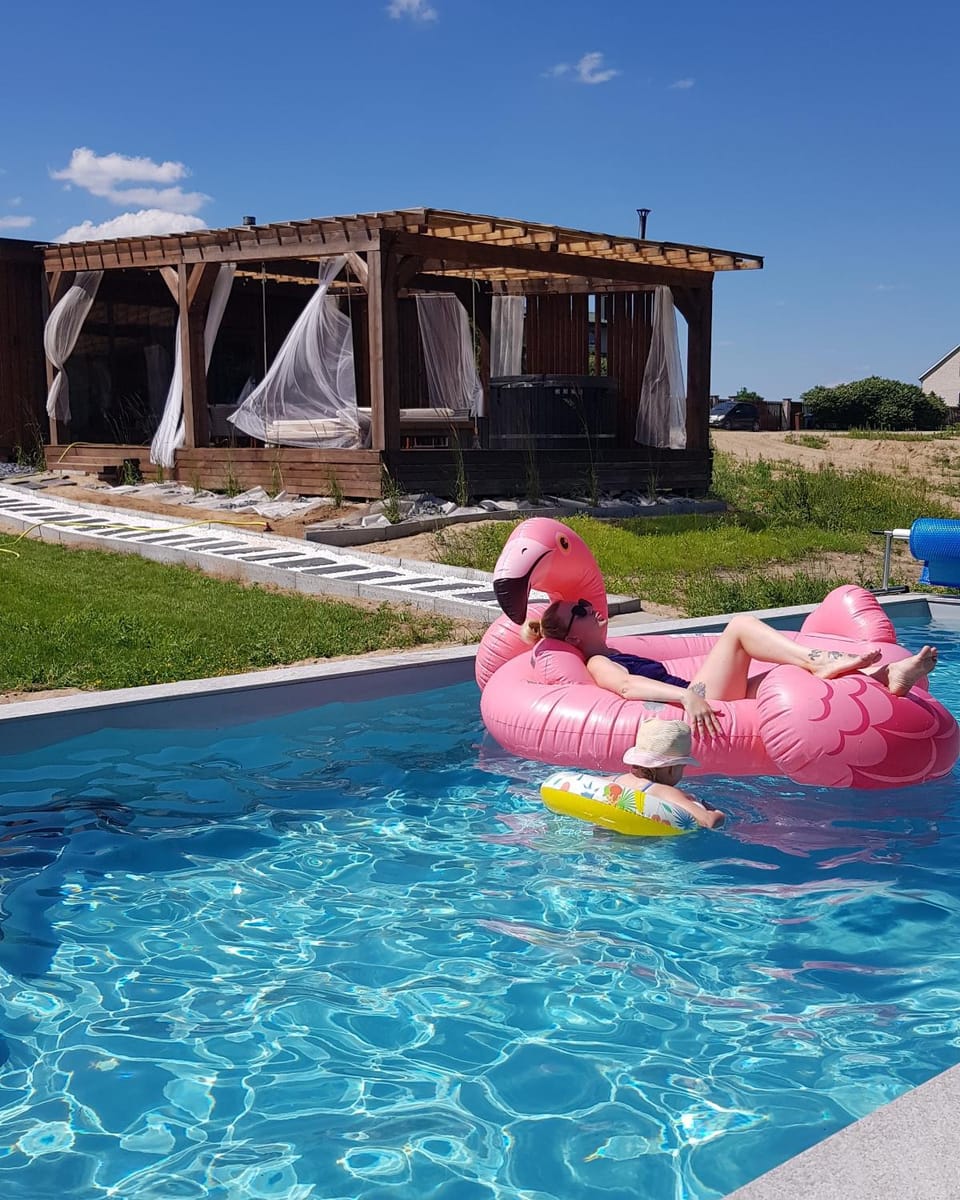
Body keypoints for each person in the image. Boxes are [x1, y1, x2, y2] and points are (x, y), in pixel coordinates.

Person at [524, 599, 938, 739]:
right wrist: (687, 696)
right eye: (579, 610)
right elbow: (628, 687)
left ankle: (886, 679)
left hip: (701, 689)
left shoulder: (609, 647)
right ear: (573, 638)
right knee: (739, 627)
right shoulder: (597, 660)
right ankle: (818, 662)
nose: (590, 607)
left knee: (785, 679)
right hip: (698, 696)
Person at [604, 718, 724, 830]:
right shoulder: (664, 792)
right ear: (671, 768)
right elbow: (708, 822)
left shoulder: (611, 780)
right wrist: (717, 813)